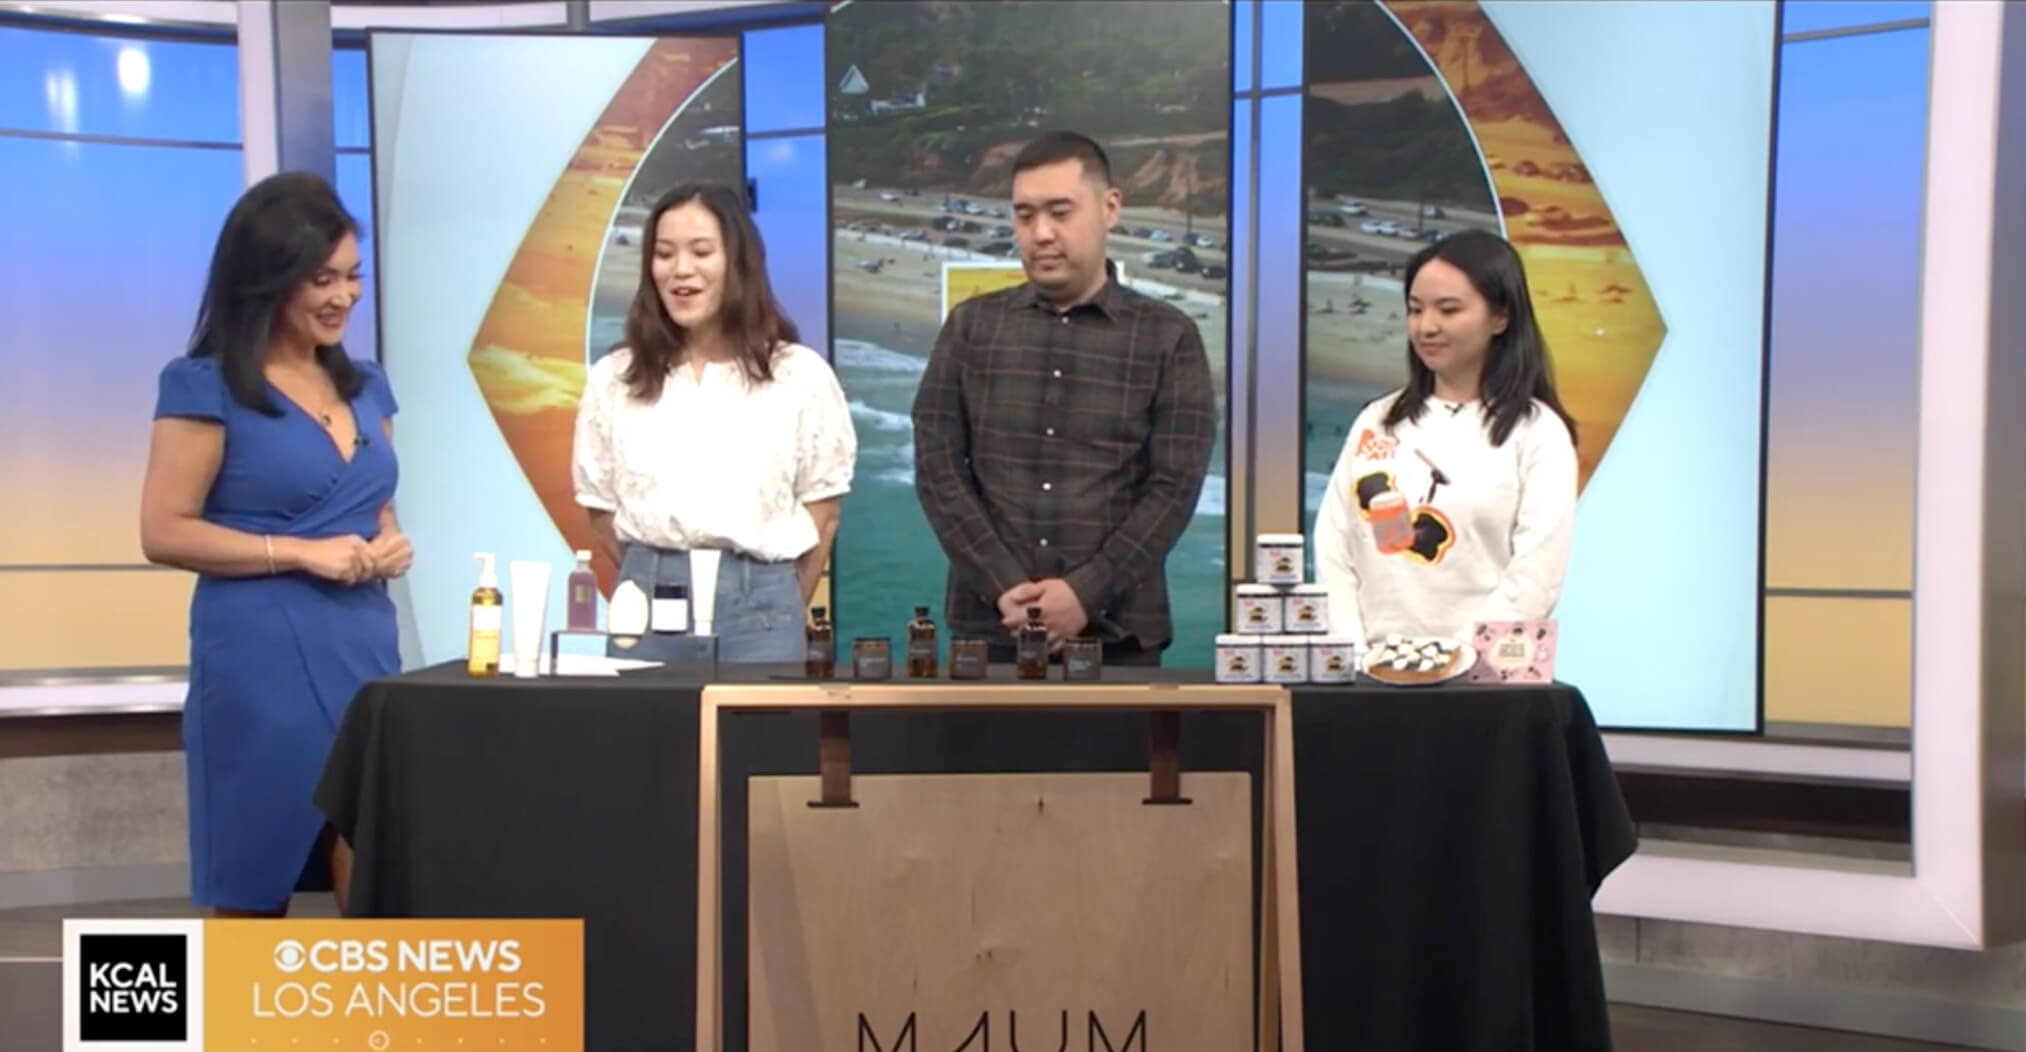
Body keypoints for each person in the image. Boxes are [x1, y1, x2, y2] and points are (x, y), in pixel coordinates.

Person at [139, 171, 407, 917]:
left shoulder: (367, 386)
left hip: (362, 646)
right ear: (267, 280)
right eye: (322, 279)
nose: (344, 296)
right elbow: (163, 530)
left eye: (352, 276)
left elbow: (374, 500)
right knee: (255, 876)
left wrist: (387, 541)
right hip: (258, 660)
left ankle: (370, 999)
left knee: (375, 871)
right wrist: (298, 552)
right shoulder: (205, 385)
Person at [911, 132, 1217, 666]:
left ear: (1110, 208)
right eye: (1024, 215)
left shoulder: (1169, 337)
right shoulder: (970, 327)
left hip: (1119, 638)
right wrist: (1004, 586)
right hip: (989, 632)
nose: (1041, 233)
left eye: (1060, 212)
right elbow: (938, 468)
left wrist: (1085, 593)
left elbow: (1174, 487)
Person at [572, 183, 855, 663]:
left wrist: (775, 601)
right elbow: (600, 510)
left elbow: (822, 514)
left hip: (762, 614)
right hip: (645, 609)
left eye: (701, 252)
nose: (681, 269)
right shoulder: (615, 378)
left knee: (756, 718)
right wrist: (656, 575)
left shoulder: (799, 375)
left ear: (739, 262)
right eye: (664, 254)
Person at [1312, 229, 1579, 644]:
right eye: (1415, 310)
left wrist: (1457, 661)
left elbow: (1535, 576)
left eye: (1448, 310)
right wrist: (1354, 654)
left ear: (1501, 317)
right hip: (1372, 669)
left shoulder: (1538, 432)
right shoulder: (1376, 420)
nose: (1427, 326)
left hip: (1483, 672)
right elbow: (1333, 545)